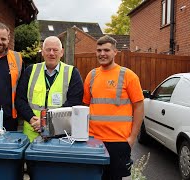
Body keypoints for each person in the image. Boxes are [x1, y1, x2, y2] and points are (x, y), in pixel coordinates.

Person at [82, 35, 144, 180]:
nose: (102, 54)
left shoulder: (129, 76)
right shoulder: (91, 76)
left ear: (115, 52)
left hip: (119, 142)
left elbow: (139, 108)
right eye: (99, 50)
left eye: (106, 50)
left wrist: (132, 138)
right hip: (93, 141)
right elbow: (85, 106)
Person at [16, 36, 84, 142]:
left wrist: (46, 122)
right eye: (48, 49)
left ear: (61, 52)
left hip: (60, 137)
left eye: (55, 50)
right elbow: (20, 100)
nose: (51, 53)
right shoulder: (30, 71)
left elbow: (74, 102)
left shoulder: (72, 73)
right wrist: (31, 119)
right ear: (42, 52)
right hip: (31, 136)